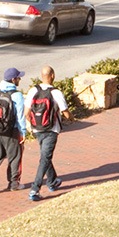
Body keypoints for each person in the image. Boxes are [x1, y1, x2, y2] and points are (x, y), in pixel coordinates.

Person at [24, 65, 69, 202]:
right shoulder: (56, 93)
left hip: (38, 129)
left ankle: (52, 181)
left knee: (45, 155)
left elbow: (26, 113)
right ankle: (35, 189)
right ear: (53, 76)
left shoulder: (33, 90)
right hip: (51, 130)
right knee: (45, 158)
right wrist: (72, 118)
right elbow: (65, 112)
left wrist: (33, 125)